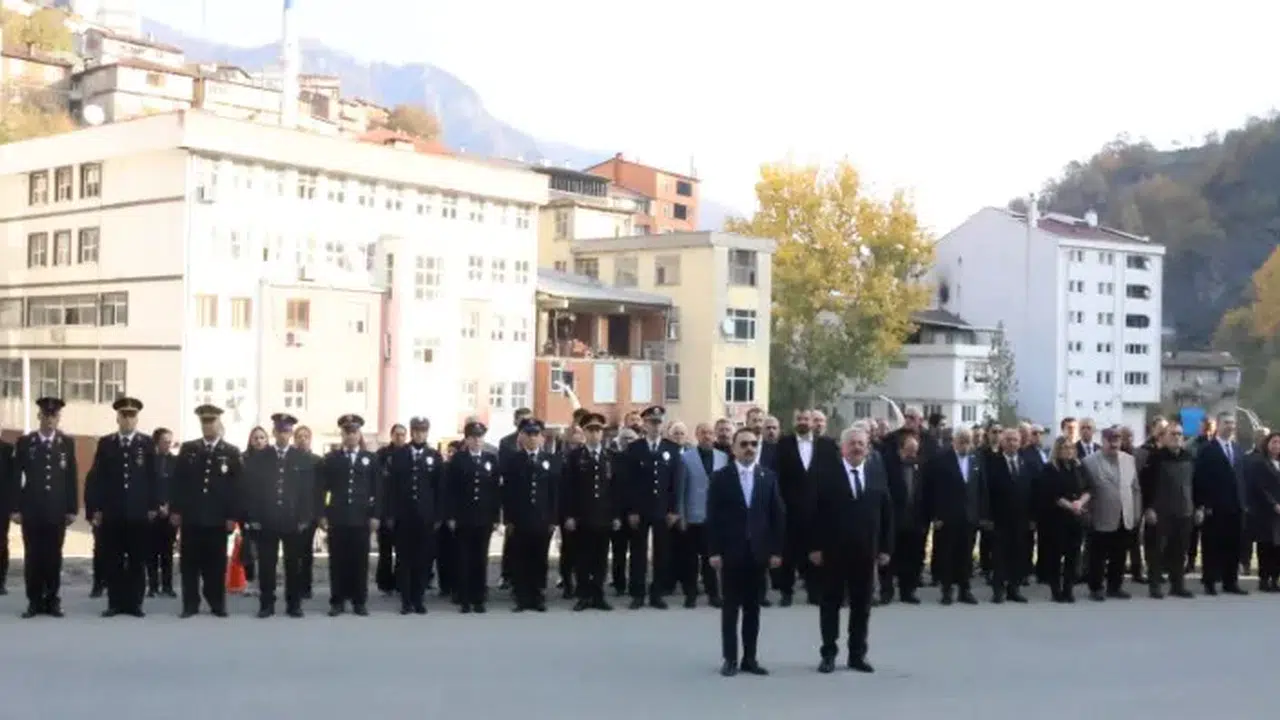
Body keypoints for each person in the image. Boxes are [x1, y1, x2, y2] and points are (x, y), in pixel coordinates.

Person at [809, 426, 892, 674]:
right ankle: (828, 654)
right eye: (852, 443)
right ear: (842, 448)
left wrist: (885, 548)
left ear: (868, 448)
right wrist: (814, 546)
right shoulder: (825, 474)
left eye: (861, 444)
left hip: (866, 552)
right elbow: (812, 513)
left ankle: (857, 655)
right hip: (833, 551)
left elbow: (886, 512)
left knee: (862, 606)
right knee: (830, 604)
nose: (857, 447)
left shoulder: (876, 473)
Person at [706, 427, 784, 677]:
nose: (749, 448)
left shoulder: (768, 477)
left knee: (753, 609)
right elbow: (713, 517)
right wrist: (714, 551)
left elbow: (776, 516)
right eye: (744, 444)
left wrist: (776, 551)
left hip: (758, 553)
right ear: (734, 448)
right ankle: (730, 658)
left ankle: (750, 658)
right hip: (731, 552)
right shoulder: (721, 477)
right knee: (731, 609)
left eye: (753, 444)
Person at [85, 397, 159, 618]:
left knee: (137, 560)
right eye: (124, 416)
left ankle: (135, 603)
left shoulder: (147, 443)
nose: (128, 420)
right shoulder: (106, 443)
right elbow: (97, 478)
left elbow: (154, 477)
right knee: (113, 559)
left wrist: (153, 505)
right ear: (117, 418)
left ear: (137, 419)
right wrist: (95, 508)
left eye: (132, 416)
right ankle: (115, 602)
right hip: (113, 511)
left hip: (138, 512)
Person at [171, 404, 242, 618]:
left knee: (216, 564)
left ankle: (216, 602)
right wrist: (176, 510)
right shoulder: (189, 449)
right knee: (189, 564)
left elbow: (237, 488)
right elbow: (178, 482)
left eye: (211, 421)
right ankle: (190, 604)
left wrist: (232, 516)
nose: (208, 425)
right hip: (192, 517)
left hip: (217, 518)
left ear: (219, 423)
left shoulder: (231, 452)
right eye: (204, 422)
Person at [10, 397, 78, 618]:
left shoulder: (66, 443)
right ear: (39, 416)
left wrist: (72, 509)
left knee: (54, 556)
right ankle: (34, 601)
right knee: (33, 556)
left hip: (56, 510)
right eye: (46, 415)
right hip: (32, 510)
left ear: (58, 418)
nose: (50, 420)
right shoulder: (25, 442)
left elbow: (71, 477)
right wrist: (15, 508)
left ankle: (52, 600)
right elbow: (15, 477)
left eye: (54, 416)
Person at [243, 413, 315, 618]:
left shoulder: (300, 457)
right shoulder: (261, 457)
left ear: (291, 434)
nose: (283, 435)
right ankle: (267, 604)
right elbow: (253, 490)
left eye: (287, 431)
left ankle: (294, 604)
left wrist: (304, 517)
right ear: (274, 432)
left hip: (292, 519)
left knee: (293, 564)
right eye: (280, 431)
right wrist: (253, 517)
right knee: (267, 564)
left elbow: (307, 490)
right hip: (267, 518)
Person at [619, 405, 684, 610]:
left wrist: (674, 510)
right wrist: (631, 510)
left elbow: (676, 482)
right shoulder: (635, 448)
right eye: (651, 422)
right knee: (638, 553)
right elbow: (629, 482)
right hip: (641, 508)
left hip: (663, 508)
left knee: (661, 552)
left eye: (658, 422)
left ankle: (657, 594)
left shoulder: (672, 448)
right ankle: (638, 594)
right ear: (644, 425)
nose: (655, 426)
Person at [773, 408, 839, 607]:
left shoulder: (827, 445)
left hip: (818, 509)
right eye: (799, 418)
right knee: (788, 553)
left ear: (813, 421)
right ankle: (786, 592)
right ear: (794, 421)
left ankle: (814, 591)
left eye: (806, 419)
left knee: (816, 551)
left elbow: (833, 474)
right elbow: (777, 476)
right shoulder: (783, 444)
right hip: (789, 508)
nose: (802, 422)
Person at [319, 414, 379, 616]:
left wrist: (375, 515)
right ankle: (337, 601)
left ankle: (359, 601)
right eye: (347, 432)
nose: (351, 435)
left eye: (354, 432)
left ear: (359, 434)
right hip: (338, 517)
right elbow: (323, 489)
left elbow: (378, 489)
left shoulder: (370, 459)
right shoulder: (331, 459)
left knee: (360, 562)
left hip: (361, 518)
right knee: (337, 561)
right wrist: (322, 514)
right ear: (342, 434)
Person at [561, 412, 621, 611]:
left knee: (601, 559)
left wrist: (616, 515)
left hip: (604, 516)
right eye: (591, 430)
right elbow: (568, 488)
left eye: (598, 430)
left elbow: (616, 489)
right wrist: (569, 515)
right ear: (584, 432)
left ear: (602, 433)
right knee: (582, 558)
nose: (594, 434)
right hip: (582, 516)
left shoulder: (611, 457)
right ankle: (583, 595)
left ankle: (598, 595)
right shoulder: (574, 457)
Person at [385, 417, 444, 614]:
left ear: (427, 432)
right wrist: (390, 513)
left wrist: (438, 515)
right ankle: (406, 600)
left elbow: (439, 488)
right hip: (404, 516)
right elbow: (391, 487)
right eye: (417, 431)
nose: (420, 434)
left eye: (423, 431)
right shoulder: (399, 455)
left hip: (425, 517)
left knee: (423, 559)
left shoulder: (434, 456)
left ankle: (419, 599)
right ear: (412, 432)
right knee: (404, 559)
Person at [501, 417, 560, 612]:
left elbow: (554, 492)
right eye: (529, 434)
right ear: (522, 437)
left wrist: (553, 518)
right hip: (520, 519)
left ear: (542, 438)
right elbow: (507, 492)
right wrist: (508, 519)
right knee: (520, 559)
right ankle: (522, 596)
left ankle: (538, 595)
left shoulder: (550, 460)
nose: (533, 438)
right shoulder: (513, 461)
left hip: (542, 518)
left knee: (540, 558)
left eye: (536, 434)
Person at [924, 427, 987, 605]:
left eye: (968, 442)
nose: (965, 445)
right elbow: (932, 489)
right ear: (954, 441)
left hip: (969, 516)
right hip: (947, 516)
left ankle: (964, 589)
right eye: (961, 441)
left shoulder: (976, 460)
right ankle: (946, 589)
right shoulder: (942, 460)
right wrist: (935, 515)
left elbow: (981, 488)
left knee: (966, 555)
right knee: (947, 554)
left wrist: (982, 513)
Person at [445, 420, 501, 613]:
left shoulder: (491, 459)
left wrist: (496, 517)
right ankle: (464, 598)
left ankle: (479, 598)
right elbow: (450, 490)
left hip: (484, 517)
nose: (477, 441)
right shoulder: (458, 460)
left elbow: (495, 491)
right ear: (467, 439)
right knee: (463, 558)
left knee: (480, 558)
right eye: (473, 437)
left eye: (480, 437)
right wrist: (451, 515)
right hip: (464, 516)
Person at [1081, 427, 1140, 602]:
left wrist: (1136, 512)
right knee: (1097, 555)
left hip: (1124, 515)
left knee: (1120, 553)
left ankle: (1115, 587)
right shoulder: (1089, 462)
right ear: (1103, 441)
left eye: (1117, 440)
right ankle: (1096, 587)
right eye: (1111, 440)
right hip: (1100, 514)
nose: (1114, 444)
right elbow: (1085, 489)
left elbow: (1135, 489)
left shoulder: (1129, 460)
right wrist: (1086, 514)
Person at [1193, 412, 1248, 596]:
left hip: (1236, 506)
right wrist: (1202, 504)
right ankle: (1209, 581)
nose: (1230, 426)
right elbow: (1200, 478)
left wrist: (1244, 502)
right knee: (1212, 545)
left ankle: (1230, 581)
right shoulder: (1208, 449)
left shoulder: (1238, 449)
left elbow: (1242, 478)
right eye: (1226, 423)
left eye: (1232, 423)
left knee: (1233, 545)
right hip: (1215, 507)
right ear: (1218, 425)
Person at [1140, 423, 1196, 599]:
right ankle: (1155, 586)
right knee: (1156, 551)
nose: (1177, 437)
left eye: (1179, 434)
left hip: (1184, 511)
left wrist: (1199, 507)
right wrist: (1148, 508)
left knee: (1179, 551)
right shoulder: (1155, 458)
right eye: (1173, 434)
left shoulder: (1189, 457)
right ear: (1163, 437)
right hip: (1160, 512)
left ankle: (1177, 585)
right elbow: (1145, 485)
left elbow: (1196, 484)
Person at [677, 422, 728, 608]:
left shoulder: (723, 457)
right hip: (692, 516)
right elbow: (681, 489)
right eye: (703, 433)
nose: (707, 436)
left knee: (711, 558)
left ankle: (713, 594)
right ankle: (690, 594)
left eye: (710, 433)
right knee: (690, 559)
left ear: (714, 436)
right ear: (697, 436)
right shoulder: (686, 458)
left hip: (714, 517)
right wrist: (681, 515)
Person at [1035, 437, 1089, 602]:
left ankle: (1068, 589)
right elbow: (1052, 494)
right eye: (1064, 447)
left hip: (1076, 518)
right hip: (1056, 518)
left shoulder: (1078, 467)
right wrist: (1071, 506)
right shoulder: (1050, 469)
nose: (1068, 450)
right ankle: (1055, 590)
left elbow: (1088, 489)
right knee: (1055, 555)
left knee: (1073, 555)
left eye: (1071, 447)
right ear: (1057, 450)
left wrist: (1080, 502)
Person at [987, 428, 1034, 603]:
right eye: (1008, 439)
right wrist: (987, 516)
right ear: (1002, 442)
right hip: (999, 517)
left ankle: (1014, 588)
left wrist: (1032, 517)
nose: (1012, 443)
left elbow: (1032, 491)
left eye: (1015, 440)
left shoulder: (1026, 463)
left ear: (1020, 442)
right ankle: (998, 590)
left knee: (1018, 553)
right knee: (999, 555)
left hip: (1021, 517)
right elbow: (987, 491)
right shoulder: (992, 463)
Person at [880, 431, 927, 604]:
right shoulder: (888, 464)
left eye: (915, 451)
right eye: (909, 451)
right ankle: (887, 590)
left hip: (915, 519)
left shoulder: (921, 465)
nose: (912, 454)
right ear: (900, 449)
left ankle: (908, 591)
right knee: (890, 557)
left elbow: (927, 492)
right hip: (894, 519)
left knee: (912, 558)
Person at [374, 423, 408, 596]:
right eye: (397, 434)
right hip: (385, 507)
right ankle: (385, 584)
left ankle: (401, 583)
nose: (400, 438)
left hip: (404, 509)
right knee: (385, 550)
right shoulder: (382, 455)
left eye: (403, 435)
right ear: (391, 435)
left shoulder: (409, 453)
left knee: (403, 551)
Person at [146, 428, 178, 598]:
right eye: (165, 441)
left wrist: (170, 507)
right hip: (152, 513)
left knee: (167, 552)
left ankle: (167, 586)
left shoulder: (176, 462)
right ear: (157, 442)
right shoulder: (149, 462)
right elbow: (145, 487)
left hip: (170, 513)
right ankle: (152, 586)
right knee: (151, 552)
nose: (168, 444)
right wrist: (155, 506)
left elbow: (179, 487)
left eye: (170, 441)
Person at [1246, 431, 1280, 592]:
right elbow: (1259, 487)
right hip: (1266, 511)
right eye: (1274, 442)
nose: (1277, 445)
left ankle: (1275, 579)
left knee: (1278, 548)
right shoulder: (1260, 463)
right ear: (1267, 444)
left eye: (1279, 443)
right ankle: (1264, 579)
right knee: (1266, 546)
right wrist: (1273, 504)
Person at [291, 425, 322, 599]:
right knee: (293, 552)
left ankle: (306, 587)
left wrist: (319, 514)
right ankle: (293, 586)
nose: (302, 439)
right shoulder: (289, 459)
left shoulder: (317, 461)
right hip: (291, 513)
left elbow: (321, 490)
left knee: (306, 552)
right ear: (294, 439)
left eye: (306, 436)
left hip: (310, 513)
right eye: (299, 436)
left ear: (310, 439)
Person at [0, 429, 12, 596]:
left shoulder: (7, 450)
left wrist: (13, 505)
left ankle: (1, 581)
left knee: (1, 544)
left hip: (1, 506)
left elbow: (13, 480)